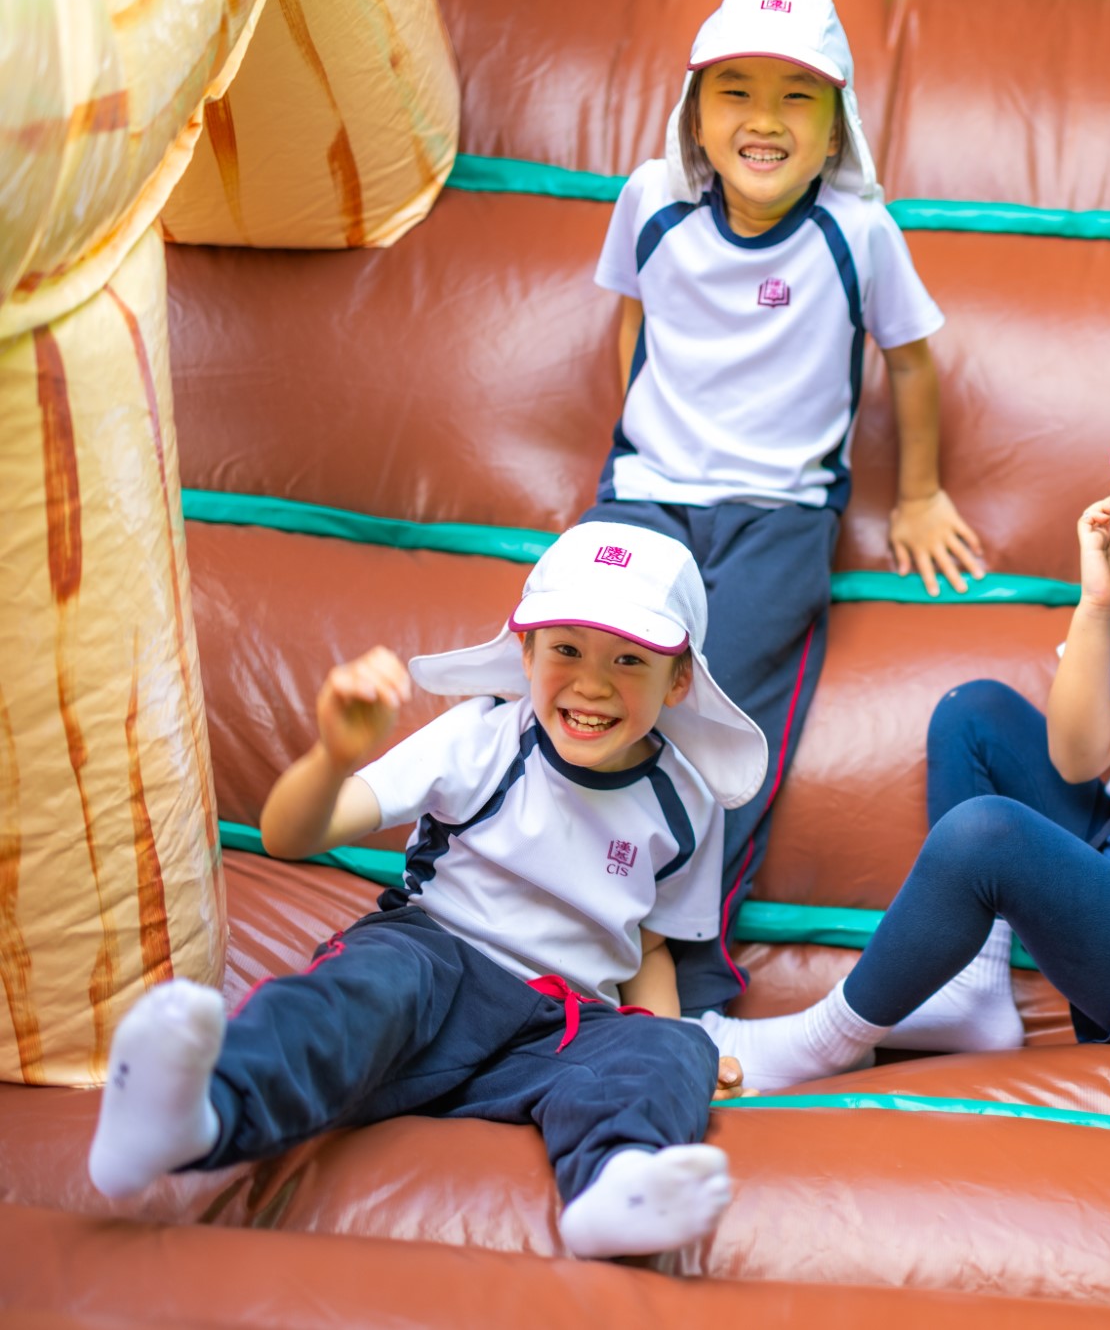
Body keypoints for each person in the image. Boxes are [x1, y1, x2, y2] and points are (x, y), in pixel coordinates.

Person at [86, 523, 769, 1261]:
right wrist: (334, 755)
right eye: (566, 650)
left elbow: (651, 948)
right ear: (526, 652)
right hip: (438, 969)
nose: (593, 684)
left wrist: (666, 1054)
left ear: (677, 680)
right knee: (369, 986)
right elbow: (288, 836)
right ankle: (195, 1112)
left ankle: (616, 1184)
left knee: (676, 1044)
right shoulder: (481, 738)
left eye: (629, 660)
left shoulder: (686, 801)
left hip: (561, 1031)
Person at [704, 359, 1110, 1087]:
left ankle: (822, 1042)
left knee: (986, 833)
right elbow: (1078, 759)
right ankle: (972, 989)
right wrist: (1098, 604)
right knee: (974, 714)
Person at [583, 0, 991, 1017]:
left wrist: (918, 494)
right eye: (735, 92)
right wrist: (638, 442)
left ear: (834, 131)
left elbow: (910, 361)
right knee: (583, 680)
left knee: (724, 718)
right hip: (645, 492)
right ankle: (551, 930)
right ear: (694, 113)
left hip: (779, 510)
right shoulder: (651, 198)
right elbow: (636, 316)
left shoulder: (858, 231)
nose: (764, 119)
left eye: (796, 99)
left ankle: (690, 964)